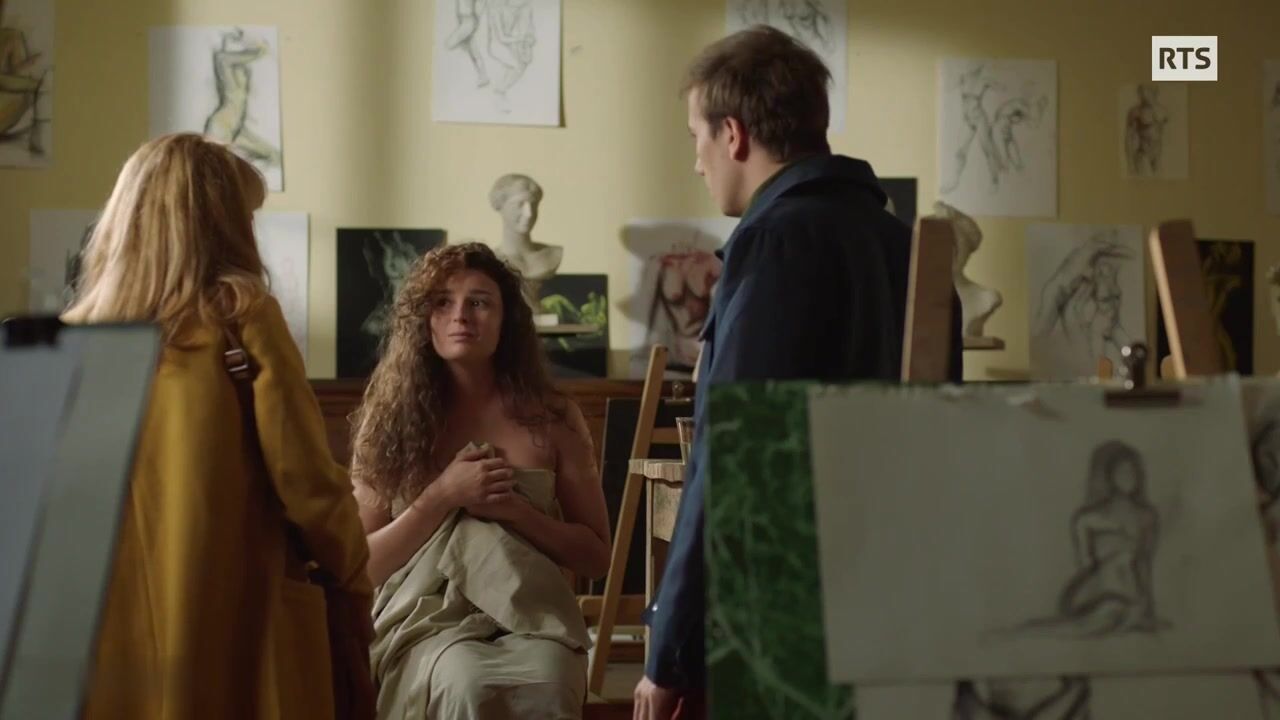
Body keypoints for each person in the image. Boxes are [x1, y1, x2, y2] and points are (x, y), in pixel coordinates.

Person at [633, 26, 963, 719]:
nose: (696, 161)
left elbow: (732, 460)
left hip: (782, 628)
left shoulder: (774, 240)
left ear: (733, 134)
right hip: (904, 613)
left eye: (696, 137)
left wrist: (669, 652)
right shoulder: (909, 248)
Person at [63, 133, 373, 719]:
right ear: (220, 224)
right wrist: (355, 579)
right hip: (233, 623)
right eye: (247, 215)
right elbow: (307, 483)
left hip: (100, 643)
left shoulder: (70, 343)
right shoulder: (242, 317)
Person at [350, 242, 610, 719]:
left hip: (536, 620)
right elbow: (361, 568)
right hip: (423, 624)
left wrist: (515, 511)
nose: (460, 316)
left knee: (549, 681)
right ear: (423, 320)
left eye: (479, 302)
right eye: (442, 302)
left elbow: (595, 556)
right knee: (466, 681)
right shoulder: (388, 421)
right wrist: (442, 496)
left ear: (506, 320)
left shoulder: (553, 417)